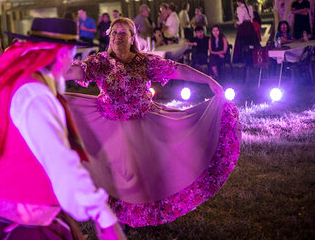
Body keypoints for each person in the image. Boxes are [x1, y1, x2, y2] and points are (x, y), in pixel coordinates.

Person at [0, 17, 126, 240]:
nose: (72, 61)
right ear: (62, 55)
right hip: (19, 223)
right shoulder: (36, 95)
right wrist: (104, 218)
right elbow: (60, 160)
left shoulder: (15, 81)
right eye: (72, 54)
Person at [64, 17, 240, 227]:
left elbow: (177, 69)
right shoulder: (100, 62)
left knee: (145, 173)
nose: (117, 37)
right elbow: (78, 70)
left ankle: (138, 214)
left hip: (144, 124)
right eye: (114, 33)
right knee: (116, 175)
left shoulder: (145, 61)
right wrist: (47, 73)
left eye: (123, 33)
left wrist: (208, 80)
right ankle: (115, 219)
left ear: (132, 38)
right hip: (109, 124)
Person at [232, 0, 260, 64]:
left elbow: (241, 20)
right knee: (251, 41)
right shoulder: (249, 7)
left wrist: (237, 23)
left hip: (244, 27)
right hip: (250, 26)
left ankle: (241, 59)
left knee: (242, 43)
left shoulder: (239, 8)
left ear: (239, 2)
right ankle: (253, 57)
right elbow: (251, 18)